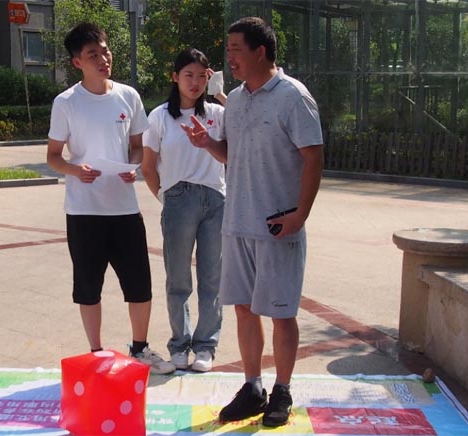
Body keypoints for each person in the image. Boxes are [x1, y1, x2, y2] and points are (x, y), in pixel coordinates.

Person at [181, 17, 324, 427]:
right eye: (228, 49)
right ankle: (252, 388)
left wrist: (300, 215)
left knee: (281, 311)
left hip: (278, 225)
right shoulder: (237, 101)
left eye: (236, 49)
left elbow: (314, 158)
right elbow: (234, 153)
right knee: (244, 310)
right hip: (237, 222)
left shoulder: (294, 96)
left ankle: (282, 390)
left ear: (260, 52)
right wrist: (208, 144)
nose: (229, 57)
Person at [46, 22, 175, 375]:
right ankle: (96, 353)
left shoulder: (128, 96)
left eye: (105, 51)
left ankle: (140, 348)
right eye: (93, 55)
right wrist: (75, 170)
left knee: (139, 283)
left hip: (124, 208)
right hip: (84, 210)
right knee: (88, 286)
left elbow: (137, 147)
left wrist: (133, 167)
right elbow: (53, 156)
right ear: (77, 62)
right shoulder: (66, 103)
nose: (103, 59)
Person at [142, 48, 226, 373]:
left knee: (211, 277)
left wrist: (220, 93)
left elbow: (236, 145)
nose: (195, 82)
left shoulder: (217, 113)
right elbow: (148, 167)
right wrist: (167, 198)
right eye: (188, 75)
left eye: (202, 76)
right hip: (178, 199)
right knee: (178, 277)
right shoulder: (160, 116)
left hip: (215, 200)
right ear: (175, 77)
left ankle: (205, 346)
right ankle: (179, 345)